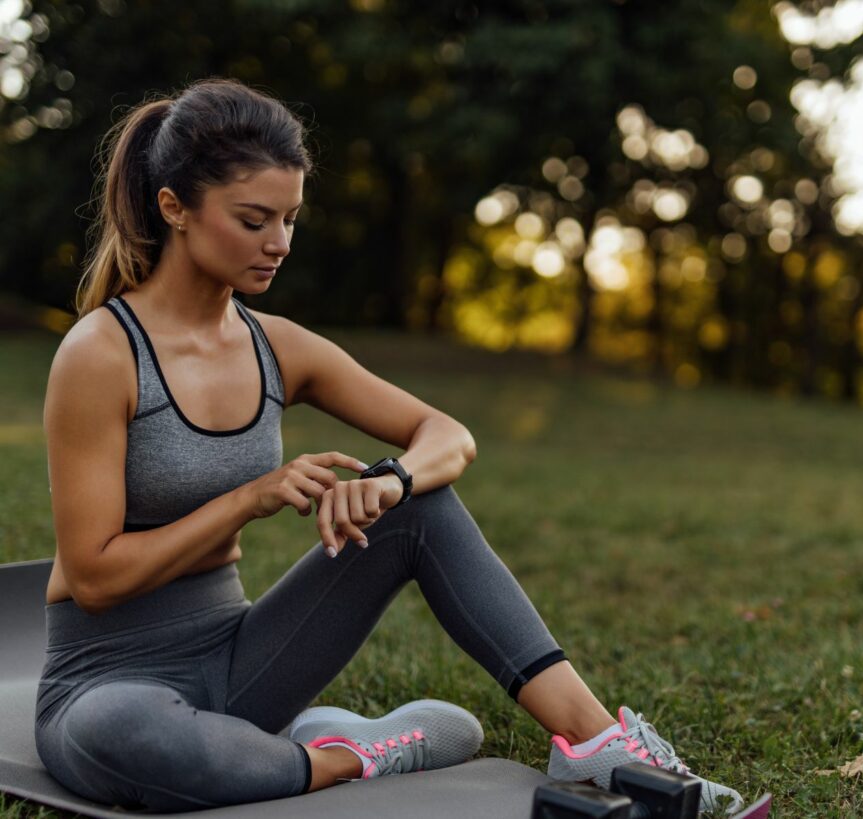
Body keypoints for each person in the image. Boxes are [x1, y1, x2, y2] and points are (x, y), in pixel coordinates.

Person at [35, 77, 744, 815]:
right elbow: (94, 578)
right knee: (123, 734)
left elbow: (447, 435)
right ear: (174, 207)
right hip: (106, 681)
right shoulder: (103, 354)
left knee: (420, 510)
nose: (279, 244)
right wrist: (248, 498)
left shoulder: (277, 347)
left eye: (290, 218)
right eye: (253, 220)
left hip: (241, 668)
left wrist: (391, 485)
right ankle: (350, 756)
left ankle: (597, 742)